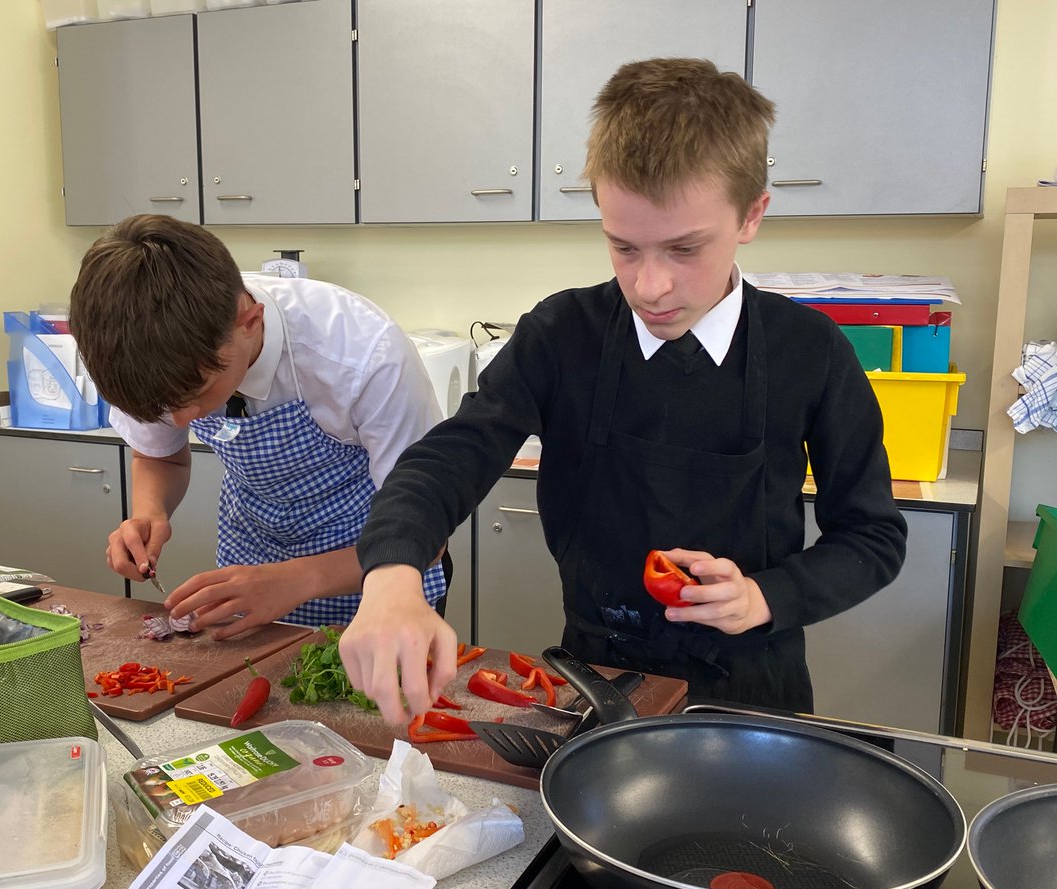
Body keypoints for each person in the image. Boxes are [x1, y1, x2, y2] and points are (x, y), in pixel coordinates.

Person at [340, 57, 908, 724]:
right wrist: (393, 574)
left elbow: (873, 537)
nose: (650, 287)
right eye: (624, 248)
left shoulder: (810, 351)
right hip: (597, 680)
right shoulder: (561, 333)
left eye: (685, 250)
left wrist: (766, 595)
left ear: (752, 215)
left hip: (753, 696)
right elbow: (451, 456)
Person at [68, 214, 447, 636]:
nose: (178, 420)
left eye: (199, 394)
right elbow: (160, 457)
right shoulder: (150, 345)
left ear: (249, 323)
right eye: (160, 407)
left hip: (376, 571)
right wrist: (150, 513)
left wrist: (294, 580)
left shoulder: (364, 356)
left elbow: (425, 535)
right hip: (248, 566)